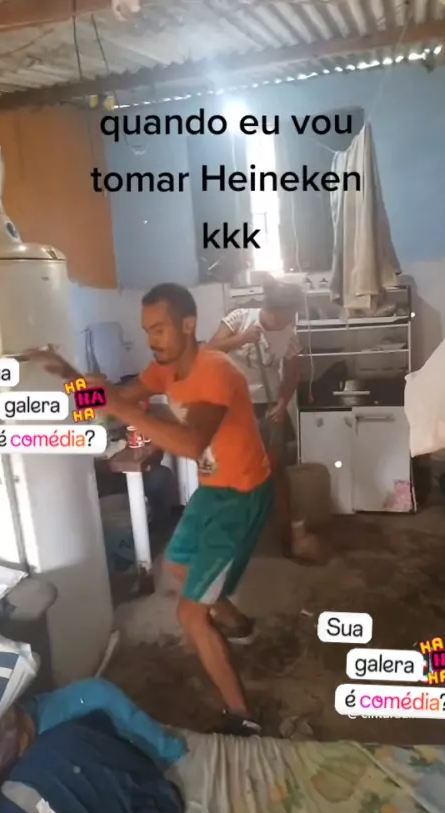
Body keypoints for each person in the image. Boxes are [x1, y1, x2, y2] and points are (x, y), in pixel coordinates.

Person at [28, 284, 274, 737]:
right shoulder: (164, 370)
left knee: (189, 615)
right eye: (147, 331)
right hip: (213, 490)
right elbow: (117, 401)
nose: (151, 339)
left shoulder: (216, 371)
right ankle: (238, 623)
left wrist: (120, 406)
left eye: (159, 329)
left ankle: (244, 715)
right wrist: (71, 377)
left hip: (240, 497)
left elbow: (190, 442)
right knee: (176, 567)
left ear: (188, 324)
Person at [209, 278, 303, 553]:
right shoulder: (239, 318)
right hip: (232, 408)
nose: (290, 319)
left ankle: (287, 537)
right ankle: (234, 538)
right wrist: (241, 339)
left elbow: (293, 374)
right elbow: (208, 351)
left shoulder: (289, 336)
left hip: (268, 409)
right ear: (273, 309)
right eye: (288, 314)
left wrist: (282, 404)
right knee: (234, 472)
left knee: (277, 472)